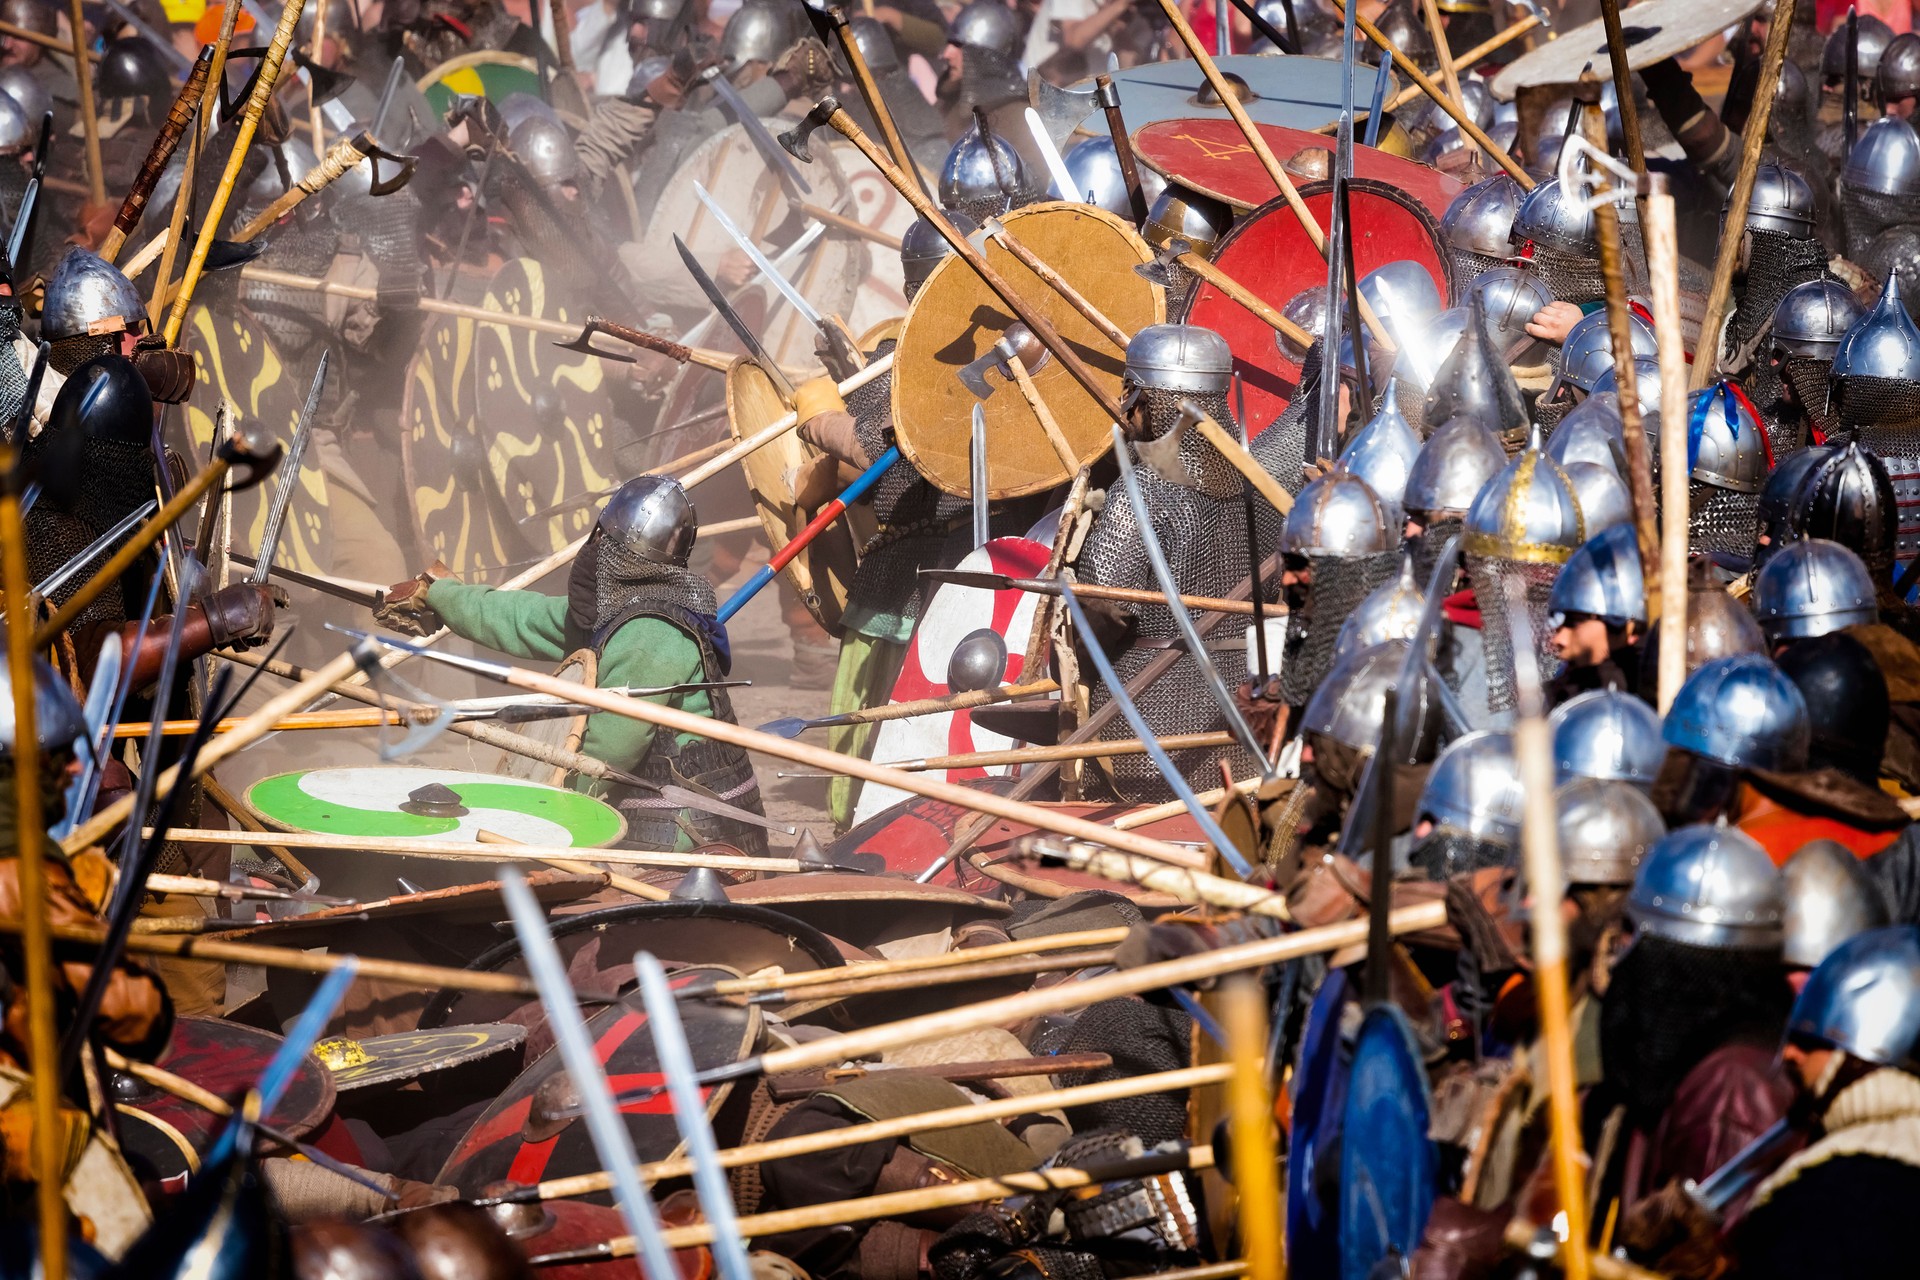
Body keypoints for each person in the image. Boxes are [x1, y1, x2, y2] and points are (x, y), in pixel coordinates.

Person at [377, 475, 770, 854]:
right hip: (658, 817)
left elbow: (610, 750)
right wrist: (442, 596)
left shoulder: (651, 634)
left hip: (689, 837)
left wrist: (537, 811)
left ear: (608, 542)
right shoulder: (620, 610)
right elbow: (522, 618)